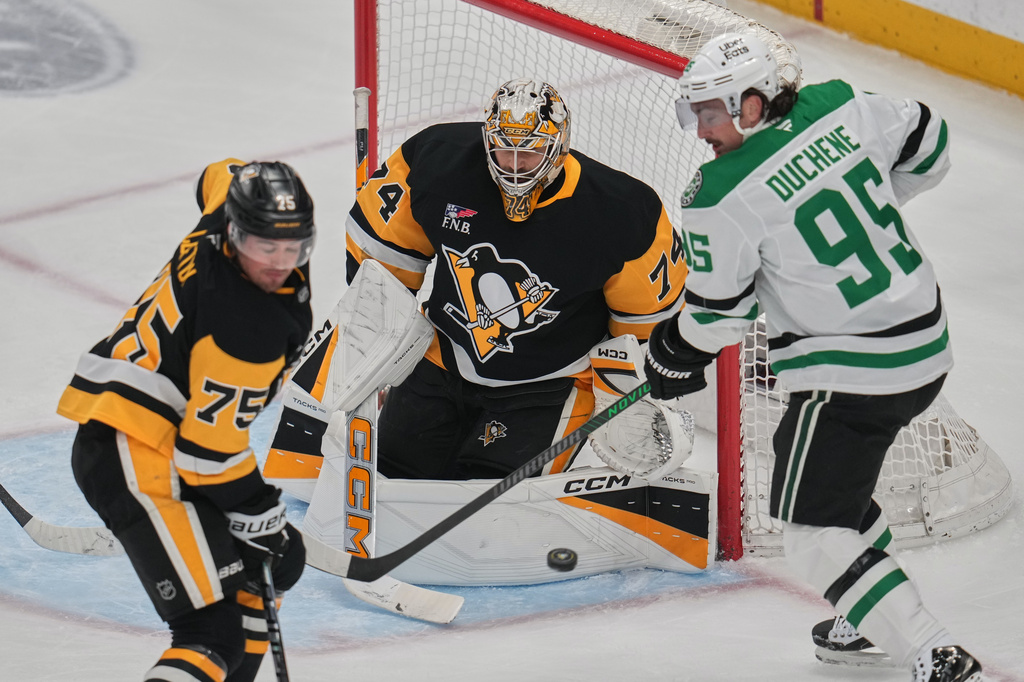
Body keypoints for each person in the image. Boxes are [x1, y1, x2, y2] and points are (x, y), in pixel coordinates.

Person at [642, 32, 982, 682]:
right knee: (827, 484)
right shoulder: (837, 102)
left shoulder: (719, 193)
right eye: (698, 111)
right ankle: (863, 617)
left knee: (807, 530)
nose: (703, 128)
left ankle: (932, 654)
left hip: (851, 372)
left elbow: (720, 315)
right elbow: (930, 143)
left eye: (714, 110)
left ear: (755, 100)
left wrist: (671, 353)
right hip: (923, 341)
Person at [343, 78, 689, 481]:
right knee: (389, 478)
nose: (513, 165)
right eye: (503, 150)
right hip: (441, 359)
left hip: (550, 384)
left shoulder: (623, 213)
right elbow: (381, 263)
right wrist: (378, 337)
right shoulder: (436, 163)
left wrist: (623, 387)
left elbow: (647, 324)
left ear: (558, 146)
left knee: (493, 506)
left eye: (529, 152)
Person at [58, 159, 315, 682]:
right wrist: (258, 510)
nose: (280, 263)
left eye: (294, 247)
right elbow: (209, 452)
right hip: (136, 454)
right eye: (266, 247)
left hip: (149, 433)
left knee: (278, 562)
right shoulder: (246, 328)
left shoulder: (224, 209)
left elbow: (218, 172)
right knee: (209, 634)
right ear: (237, 232)